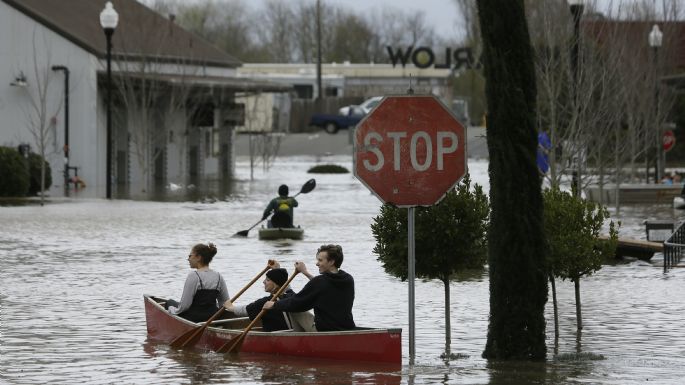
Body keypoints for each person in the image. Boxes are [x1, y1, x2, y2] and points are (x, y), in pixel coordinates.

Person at [263, 244, 355, 332]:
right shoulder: (348, 279)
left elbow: (297, 302)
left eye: (320, 260)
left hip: (325, 330)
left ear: (331, 262)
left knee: (292, 308)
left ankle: (298, 339)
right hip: (347, 327)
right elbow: (323, 285)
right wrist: (304, 272)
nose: (317, 264)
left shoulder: (320, 282)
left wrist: (275, 305)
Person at [165, 243, 230, 323]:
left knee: (170, 302)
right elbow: (224, 303)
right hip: (212, 318)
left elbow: (184, 306)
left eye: (190, 256)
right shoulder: (219, 276)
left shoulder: (193, 275)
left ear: (198, 257)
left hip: (193, 319)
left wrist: (172, 310)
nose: (188, 259)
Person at [223, 267, 296, 332]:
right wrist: (277, 268)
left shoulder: (265, 302)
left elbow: (245, 310)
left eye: (267, 280)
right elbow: (285, 284)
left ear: (275, 284)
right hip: (292, 335)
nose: (263, 282)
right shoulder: (293, 295)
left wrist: (230, 307)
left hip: (274, 339)